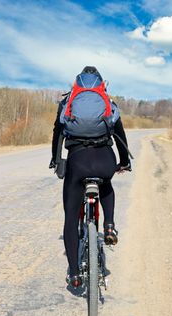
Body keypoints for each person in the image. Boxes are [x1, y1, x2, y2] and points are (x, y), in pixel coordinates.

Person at [49, 66, 131, 288]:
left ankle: (74, 273)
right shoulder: (108, 104)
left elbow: (57, 133)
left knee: (70, 218)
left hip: (77, 162)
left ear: (77, 85)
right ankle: (110, 225)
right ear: (101, 84)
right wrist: (124, 162)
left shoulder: (68, 103)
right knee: (106, 185)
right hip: (104, 160)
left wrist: (56, 160)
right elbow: (120, 136)